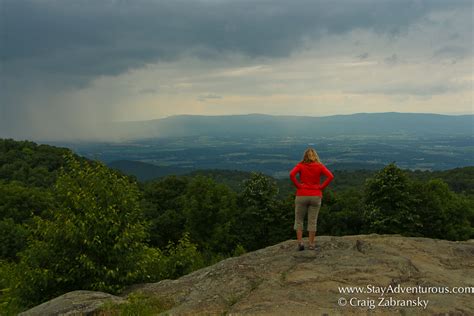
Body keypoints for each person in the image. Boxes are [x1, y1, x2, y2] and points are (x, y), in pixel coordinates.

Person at [289, 147, 334, 251]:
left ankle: (300, 243)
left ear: (305, 156)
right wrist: (321, 187)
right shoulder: (319, 166)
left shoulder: (300, 165)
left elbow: (291, 174)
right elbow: (330, 176)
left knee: (299, 219)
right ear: (315, 156)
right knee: (312, 221)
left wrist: (299, 186)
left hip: (302, 194)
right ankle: (311, 244)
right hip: (315, 195)